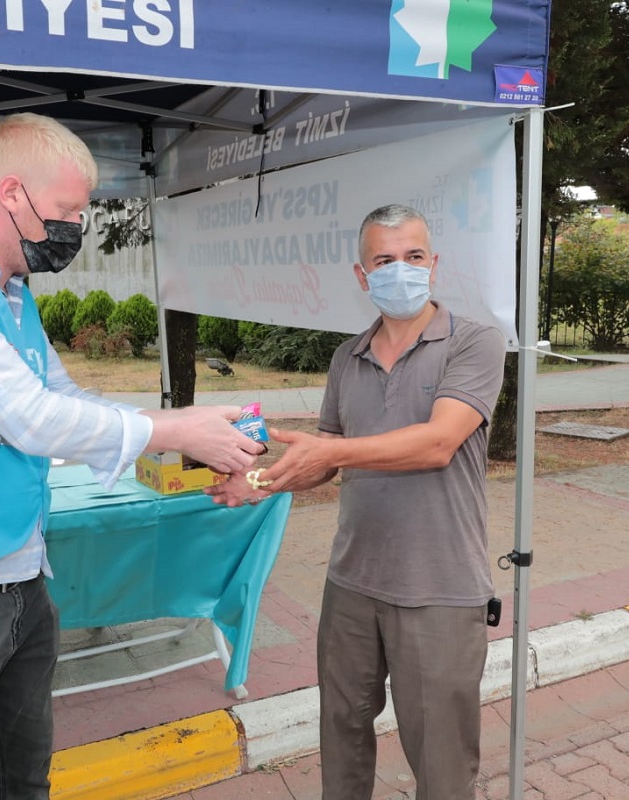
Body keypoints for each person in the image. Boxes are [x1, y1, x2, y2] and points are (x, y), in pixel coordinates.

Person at [0, 112, 262, 800]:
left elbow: (67, 398)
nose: (75, 227)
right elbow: (32, 417)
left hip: (15, 579)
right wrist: (181, 429)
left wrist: (185, 438)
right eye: (68, 211)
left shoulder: (10, 296)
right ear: (12, 193)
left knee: (20, 782)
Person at [207, 204, 506, 799]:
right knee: (341, 741)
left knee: (442, 765)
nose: (402, 270)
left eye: (414, 257)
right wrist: (259, 480)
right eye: (385, 260)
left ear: (434, 264)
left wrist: (329, 453)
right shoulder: (349, 356)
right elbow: (327, 457)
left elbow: (438, 443)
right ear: (362, 274)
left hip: (440, 587)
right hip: (352, 584)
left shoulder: (475, 342)